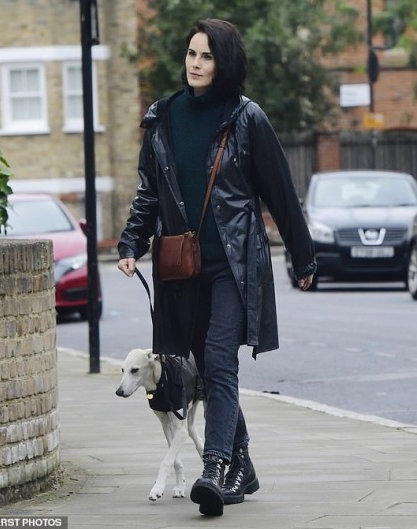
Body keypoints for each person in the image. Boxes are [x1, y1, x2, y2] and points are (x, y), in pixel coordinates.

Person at [117, 18, 316, 517]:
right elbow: (149, 189)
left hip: (234, 263)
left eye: (206, 56)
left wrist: (303, 255)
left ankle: (216, 469)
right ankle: (242, 464)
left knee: (220, 360)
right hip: (181, 266)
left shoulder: (247, 118)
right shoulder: (163, 116)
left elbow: (280, 193)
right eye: (191, 54)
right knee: (204, 365)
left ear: (223, 62)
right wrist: (131, 240)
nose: (196, 64)